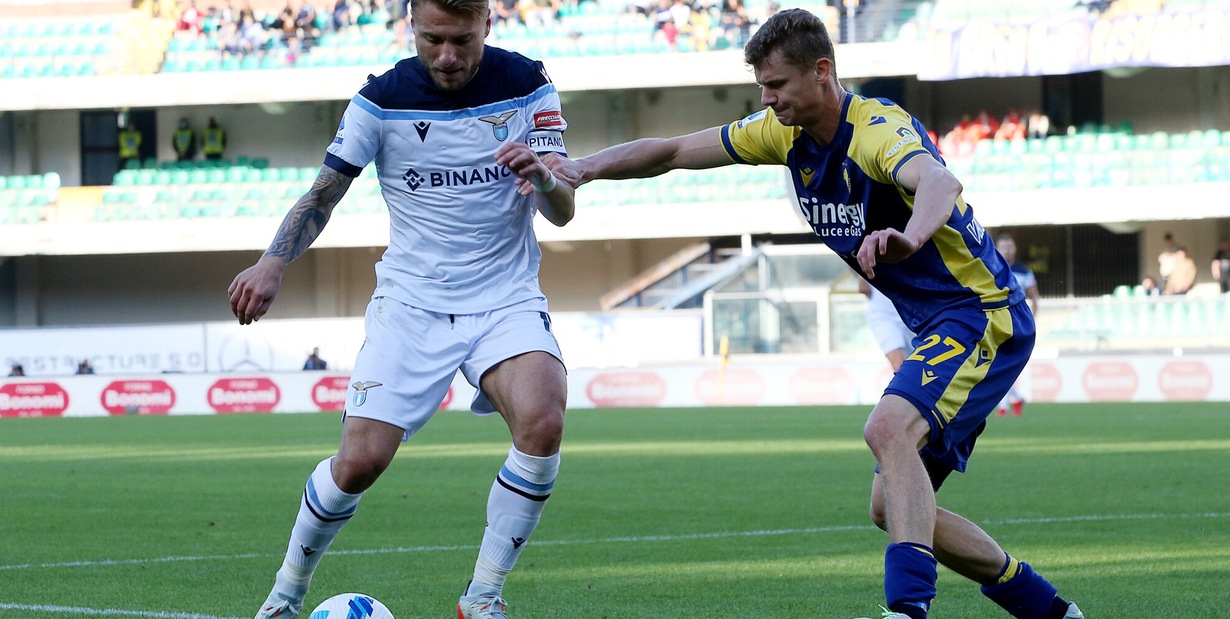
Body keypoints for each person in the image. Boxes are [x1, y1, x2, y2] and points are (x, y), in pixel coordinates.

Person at [540, 9, 1081, 619]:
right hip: (937, 320)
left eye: (777, 86)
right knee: (892, 506)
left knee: (885, 431)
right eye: (762, 88)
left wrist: (908, 235)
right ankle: (1049, 611)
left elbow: (938, 180)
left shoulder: (877, 128)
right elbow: (670, 150)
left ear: (822, 71)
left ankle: (906, 610)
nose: (766, 101)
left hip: (982, 312)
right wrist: (582, 169)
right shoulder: (782, 132)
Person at [228, 0, 575, 616]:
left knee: (543, 419)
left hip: (505, 298)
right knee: (358, 464)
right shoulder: (380, 101)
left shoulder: (528, 84)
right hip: (412, 304)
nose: (447, 56)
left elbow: (562, 208)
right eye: (432, 39)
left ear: (487, 27)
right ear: (411, 28)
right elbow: (323, 195)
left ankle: (484, 597)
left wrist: (544, 178)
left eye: (462, 40)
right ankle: (285, 595)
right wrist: (272, 261)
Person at [993, 233, 1037, 417]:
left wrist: (1032, 322)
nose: (1007, 250)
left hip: (1017, 325)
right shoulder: (990, 267)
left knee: (1000, 366)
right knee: (997, 366)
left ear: (1015, 249)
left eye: (1010, 246)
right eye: (1003, 246)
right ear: (996, 248)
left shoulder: (1024, 271)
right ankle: (1015, 399)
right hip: (996, 323)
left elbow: (1035, 298)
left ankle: (1004, 406)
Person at [859, 276, 913, 372]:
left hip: (913, 309)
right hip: (882, 311)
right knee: (900, 367)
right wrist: (861, 277)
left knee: (922, 363)